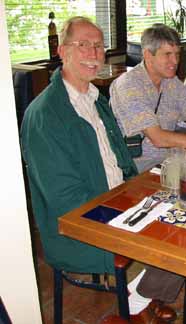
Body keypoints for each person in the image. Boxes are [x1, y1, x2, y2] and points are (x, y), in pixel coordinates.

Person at [20, 17, 175, 324]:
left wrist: (141, 192)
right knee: (173, 244)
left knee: (182, 213)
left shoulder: (95, 99)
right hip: (81, 224)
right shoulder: (45, 115)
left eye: (99, 45)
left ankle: (140, 293)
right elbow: (66, 199)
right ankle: (140, 300)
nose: (93, 52)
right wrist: (128, 211)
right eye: (83, 45)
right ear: (62, 51)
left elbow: (122, 161)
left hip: (117, 203)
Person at [110, 24, 186, 172]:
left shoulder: (173, 83)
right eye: (168, 54)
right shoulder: (129, 85)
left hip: (168, 162)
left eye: (177, 54)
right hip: (135, 169)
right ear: (148, 55)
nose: (175, 61)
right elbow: (157, 138)